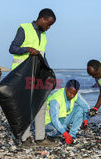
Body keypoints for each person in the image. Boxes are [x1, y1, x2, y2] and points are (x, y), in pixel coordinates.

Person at [9, 8, 56, 147]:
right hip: (22, 75)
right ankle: (25, 139)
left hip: (38, 75)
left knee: (41, 104)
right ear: (42, 19)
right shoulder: (24, 28)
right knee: (25, 107)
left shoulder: (44, 34)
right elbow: (12, 48)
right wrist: (27, 49)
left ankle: (40, 138)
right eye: (48, 24)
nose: (49, 28)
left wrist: (49, 72)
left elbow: (42, 55)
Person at [45, 79, 89, 144]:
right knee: (57, 130)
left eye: (74, 94)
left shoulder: (73, 93)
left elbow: (85, 106)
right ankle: (49, 135)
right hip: (49, 122)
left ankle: (72, 136)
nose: (72, 96)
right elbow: (54, 120)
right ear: (66, 89)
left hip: (63, 119)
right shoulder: (56, 99)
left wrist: (85, 119)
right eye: (70, 93)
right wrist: (65, 134)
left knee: (80, 109)